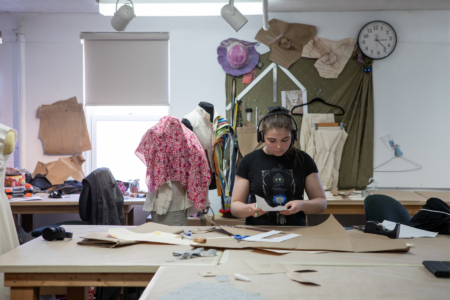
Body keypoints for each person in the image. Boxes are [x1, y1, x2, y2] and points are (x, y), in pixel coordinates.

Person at [231, 107, 326, 225]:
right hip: (257, 233)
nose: (279, 146)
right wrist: (249, 209)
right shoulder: (248, 161)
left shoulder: (303, 160)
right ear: (261, 137)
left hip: (296, 233)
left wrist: (302, 205)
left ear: (293, 135)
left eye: (285, 139)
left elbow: (321, 203)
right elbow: (235, 207)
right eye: (272, 140)